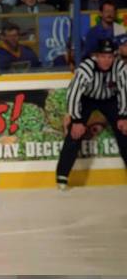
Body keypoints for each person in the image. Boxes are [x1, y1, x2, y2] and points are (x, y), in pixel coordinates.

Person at [56, 38, 127, 189]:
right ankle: (62, 176)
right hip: (87, 100)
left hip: (110, 100)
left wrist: (123, 116)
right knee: (75, 133)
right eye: (102, 56)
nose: (106, 60)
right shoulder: (86, 67)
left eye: (109, 57)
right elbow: (73, 93)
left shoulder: (120, 67)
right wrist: (76, 120)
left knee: (124, 131)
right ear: (96, 56)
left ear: (114, 56)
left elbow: (124, 92)